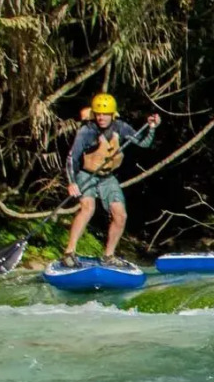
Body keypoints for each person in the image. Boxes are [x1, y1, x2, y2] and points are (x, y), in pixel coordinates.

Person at [59, 93, 159, 269]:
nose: (101, 117)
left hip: (108, 178)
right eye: (98, 114)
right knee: (88, 208)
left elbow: (144, 143)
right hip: (86, 174)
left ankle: (108, 256)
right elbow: (71, 158)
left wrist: (151, 127)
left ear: (112, 114)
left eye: (105, 114)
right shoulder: (87, 131)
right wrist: (72, 182)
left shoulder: (121, 127)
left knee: (121, 215)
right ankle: (69, 252)